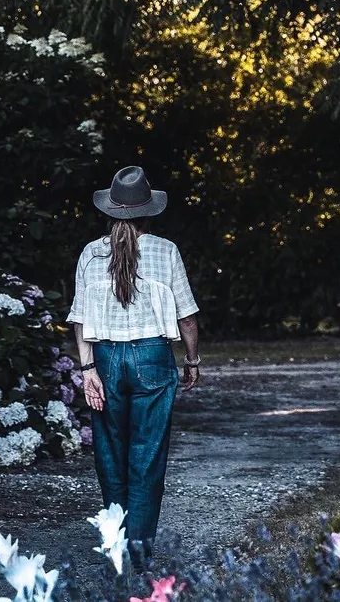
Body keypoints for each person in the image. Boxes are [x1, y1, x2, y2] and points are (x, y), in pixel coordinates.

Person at [68, 165, 200, 564]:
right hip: (153, 358)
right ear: (148, 211)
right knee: (148, 453)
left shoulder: (90, 253)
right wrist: (192, 359)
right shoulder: (166, 250)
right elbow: (187, 317)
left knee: (109, 453)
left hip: (105, 359)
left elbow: (79, 318)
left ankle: (115, 546)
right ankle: (138, 553)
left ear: (111, 211)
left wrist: (88, 370)